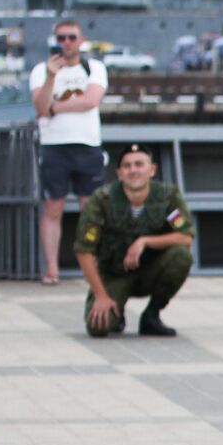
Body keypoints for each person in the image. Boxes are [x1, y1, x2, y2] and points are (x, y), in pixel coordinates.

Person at [72, 143, 193, 338]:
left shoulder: (167, 197)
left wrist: (144, 241)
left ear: (152, 170)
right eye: (127, 166)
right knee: (98, 328)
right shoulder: (102, 200)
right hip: (114, 273)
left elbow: (185, 236)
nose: (133, 170)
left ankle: (152, 315)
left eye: (139, 164)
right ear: (119, 173)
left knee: (182, 256)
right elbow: (83, 250)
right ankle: (117, 312)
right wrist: (101, 296)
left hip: (150, 271)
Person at [29, 19, 108, 285]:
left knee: (91, 208)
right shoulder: (41, 71)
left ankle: (92, 263)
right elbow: (40, 107)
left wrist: (55, 108)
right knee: (53, 207)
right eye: (61, 38)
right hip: (54, 145)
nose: (66, 43)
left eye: (71, 37)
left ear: (81, 40)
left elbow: (91, 100)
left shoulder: (94, 68)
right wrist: (52, 77)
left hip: (87, 143)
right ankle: (52, 268)